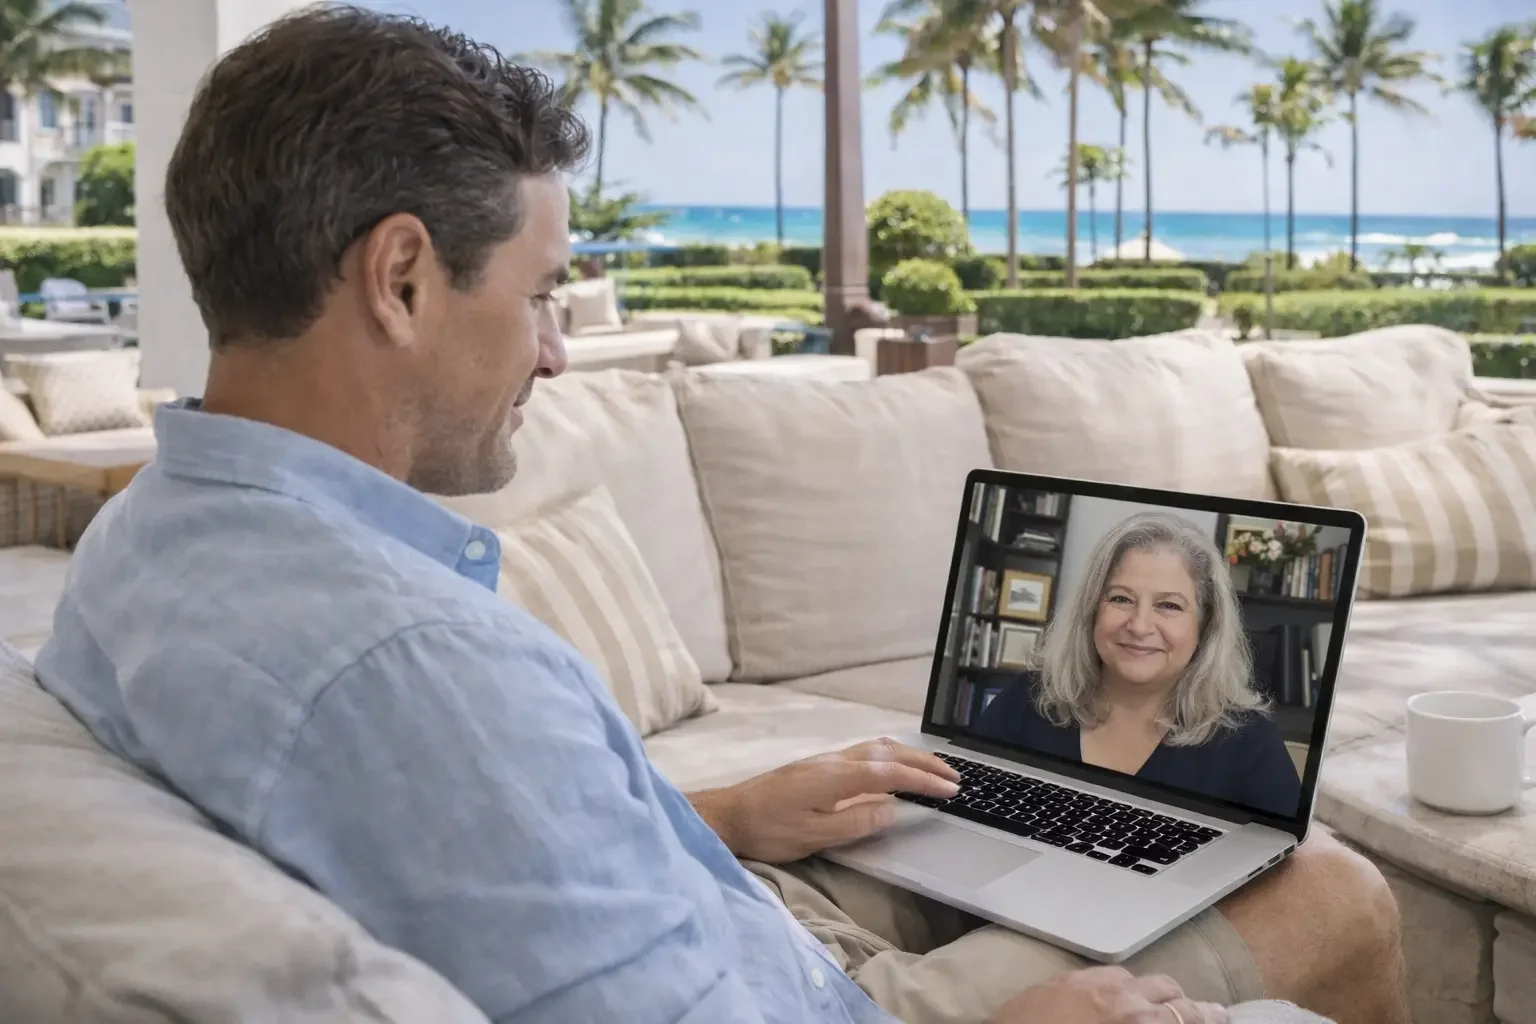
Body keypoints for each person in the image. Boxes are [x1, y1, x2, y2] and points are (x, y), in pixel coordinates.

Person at [30, 7, 1406, 1024]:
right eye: (542, 290)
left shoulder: (143, 544)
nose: (557, 352)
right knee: (1334, 893)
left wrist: (728, 814)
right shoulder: (405, 660)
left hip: (742, 915)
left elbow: (473, 839)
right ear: (399, 278)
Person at [973, 512, 1303, 819]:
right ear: (1092, 612)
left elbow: (1287, 864)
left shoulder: (1249, 739)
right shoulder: (1029, 699)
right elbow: (961, 797)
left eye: (1169, 605)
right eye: (1121, 599)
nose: (1140, 625)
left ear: (1205, 626)